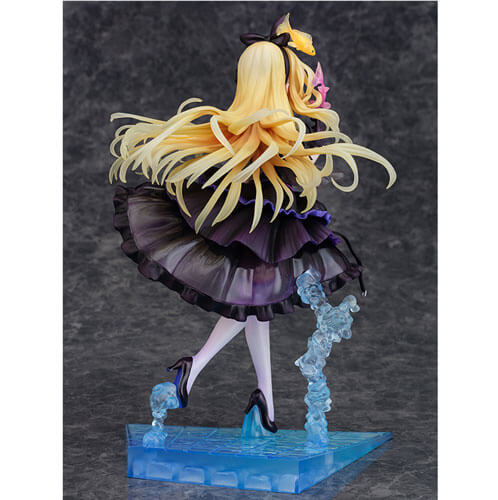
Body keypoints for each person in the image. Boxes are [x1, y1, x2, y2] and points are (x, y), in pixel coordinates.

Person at [110, 14, 396, 433]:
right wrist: (318, 111)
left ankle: (262, 401)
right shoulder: (279, 130)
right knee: (250, 305)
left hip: (257, 221)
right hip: (260, 226)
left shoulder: (253, 128)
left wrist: (315, 109)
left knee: (255, 309)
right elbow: (309, 164)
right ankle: (204, 371)